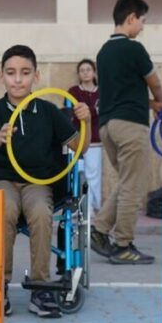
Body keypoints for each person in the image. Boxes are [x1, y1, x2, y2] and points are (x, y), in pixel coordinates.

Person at [0, 45, 91, 318]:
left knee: (40, 211)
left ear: (36, 76)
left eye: (25, 73)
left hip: (38, 182)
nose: (18, 79)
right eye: (11, 73)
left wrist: (87, 121)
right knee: (5, 209)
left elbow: (80, 149)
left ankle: (40, 287)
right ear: (1, 76)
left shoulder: (49, 112)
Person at [88, 0, 162, 265]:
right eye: (142, 21)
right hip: (130, 127)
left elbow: (120, 93)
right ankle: (123, 245)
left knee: (127, 181)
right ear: (131, 18)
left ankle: (99, 231)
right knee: (133, 187)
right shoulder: (134, 49)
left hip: (108, 127)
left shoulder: (103, 53)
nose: (143, 27)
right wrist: (159, 101)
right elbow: (154, 81)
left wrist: (151, 105)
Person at [67, 58, 102, 214]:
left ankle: (93, 207)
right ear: (78, 74)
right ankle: (77, 208)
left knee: (93, 175)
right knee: (76, 173)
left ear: (94, 72)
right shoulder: (73, 91)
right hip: (76, 138)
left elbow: (103, 111)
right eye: (82, 70)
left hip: (95, 139)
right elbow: (71, 112)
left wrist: (89, 111)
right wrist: (90, 110)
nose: (85, 73)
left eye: (88, 69)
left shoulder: (101, 91)